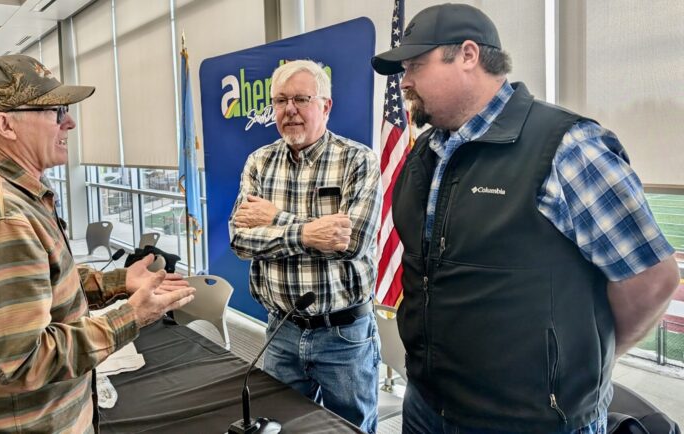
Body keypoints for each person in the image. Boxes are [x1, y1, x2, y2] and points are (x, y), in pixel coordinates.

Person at [371, 4, 680, 433]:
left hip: (530, 420)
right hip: (427, 404)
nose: (404, 81)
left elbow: (651, 279)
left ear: (467, 55)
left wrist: (581, 365)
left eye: (415, 66)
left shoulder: (566, 147)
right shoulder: (425, 154)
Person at [0, 54, 196, 433]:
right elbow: (20, 363)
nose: (69, 121)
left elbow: (38, 285)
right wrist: (132, 316)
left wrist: (118, 283)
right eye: (55, 111)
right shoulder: (2, 221)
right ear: (6, 124)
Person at [229, 60, 382, 433]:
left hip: (343, 337)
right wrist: (309, 233)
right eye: (280, 101)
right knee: (281, 426)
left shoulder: (357, 160)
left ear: (325, 106)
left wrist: (276, 219)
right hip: (280, 330)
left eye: (301, 98)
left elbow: (351, 243)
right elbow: (240, 239)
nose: (289, 110)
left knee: (352, 428)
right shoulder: (259, 163)